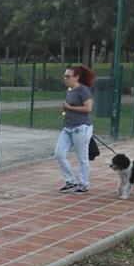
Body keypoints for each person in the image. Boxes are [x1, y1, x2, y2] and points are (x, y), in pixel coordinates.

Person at [56, 65, 95, 194]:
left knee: (82, 157)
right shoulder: (69, 90)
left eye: (68, 76)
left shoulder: (83, 90)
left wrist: (70, 108)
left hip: (81, 128)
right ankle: (71, 180)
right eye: (64, 76)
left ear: (76, 77)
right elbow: (69, 106)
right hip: (68, 128)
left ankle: (84, 184)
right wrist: (66, 109)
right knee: (59, 154)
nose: (65, 78)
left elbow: (88, 109)